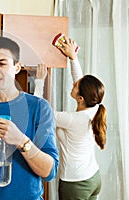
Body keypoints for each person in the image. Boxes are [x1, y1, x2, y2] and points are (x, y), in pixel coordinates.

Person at [0, 36, 59, 200]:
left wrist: (21, 141)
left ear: (17, 67)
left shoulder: (39, 108)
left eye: (2, 63)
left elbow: (49, 172)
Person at [34, 35, 107, 200]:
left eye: (76, 86)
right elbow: (79, 80)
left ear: (80, 98)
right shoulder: (95, 106)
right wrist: (73, 57)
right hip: (93, 178)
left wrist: (39, 81)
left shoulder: (71, 119)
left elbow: (40, 111)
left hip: (76, 183)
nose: (74, 83)